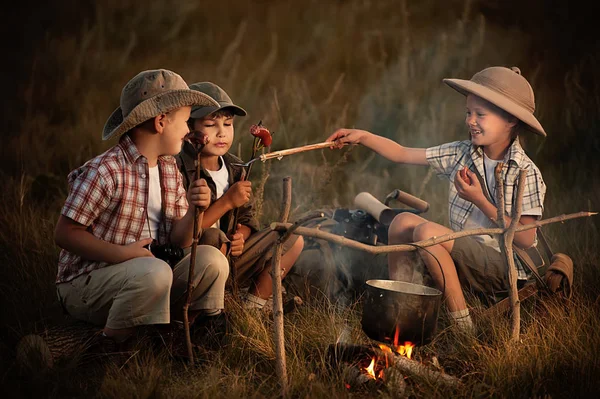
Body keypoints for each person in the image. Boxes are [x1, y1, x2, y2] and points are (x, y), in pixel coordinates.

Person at [327, 66, 547, 333]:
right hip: (466, 255)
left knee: (428, 232)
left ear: (511, 121)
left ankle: (463, 328)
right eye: (468, 113)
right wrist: (363, 136)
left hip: (503, 268)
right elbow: (402, 153)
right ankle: (403, 309)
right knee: (403, 221)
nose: (470, 121)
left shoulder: (524, 171)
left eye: (481, 115)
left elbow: (524, 238)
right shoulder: (462, 153)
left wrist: (480, 200)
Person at [54, 69, 230, 348]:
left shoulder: (168, 167)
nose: (188, 130)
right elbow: (65, 234)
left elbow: (179, 240)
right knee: (155, 272)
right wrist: (123, 255)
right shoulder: (107, 170)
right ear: (161, 122)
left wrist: (195, 211)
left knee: (212, 260)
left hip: (149, 276)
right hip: (89, 281)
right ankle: (109, 348)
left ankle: (182, 337)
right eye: (185, 121)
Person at [176, 82, 304, 313]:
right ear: (187, 128)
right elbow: (182, 234)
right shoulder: (179, 167)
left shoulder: (236, 167)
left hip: (233, 261)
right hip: (195, 262)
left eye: (227, 124)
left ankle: (252, 308)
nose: (221, 132)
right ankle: (206, 312)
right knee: (214, 238)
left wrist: (241, 236)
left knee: (292, 237)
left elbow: (247, 217)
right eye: (209, 124)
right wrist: (226, 202)